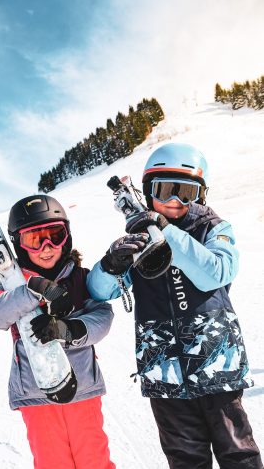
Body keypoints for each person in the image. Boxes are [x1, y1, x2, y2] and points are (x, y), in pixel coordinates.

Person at [86, 143, 263, 469]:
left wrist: (165, 232)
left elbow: (216, 273)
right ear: (147, 192)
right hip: (164, 373)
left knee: (239, 455)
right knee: (185, 460)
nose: (174, 202)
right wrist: (111, 264)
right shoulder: (138, 239)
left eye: (185, 192)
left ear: (201, 195)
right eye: (164, 191)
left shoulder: (213, 228)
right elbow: (99, 292)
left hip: (216, 368)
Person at [0, 194, 115, 469]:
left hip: (83, 387)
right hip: (36, 391)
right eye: (34, 239)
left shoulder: (78, 277)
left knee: (94, 459)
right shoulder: (13, 285)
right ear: (19, 244)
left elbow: (103, 317)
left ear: (67, 237)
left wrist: (69, 329)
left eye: (56, 235)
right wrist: (33, 290)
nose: (47, 247)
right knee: (52, 462)